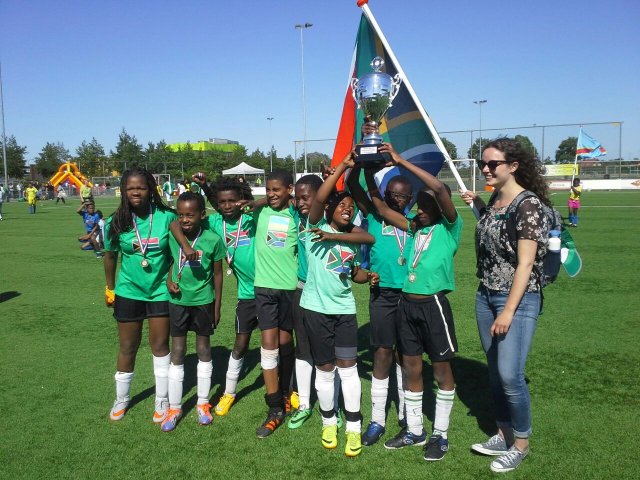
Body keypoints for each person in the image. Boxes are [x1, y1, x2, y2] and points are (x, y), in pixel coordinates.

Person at [364, 144, 462, 461]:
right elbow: (382, 210)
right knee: (411, 367)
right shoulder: (414, 227)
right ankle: (415, 430)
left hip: (433, 305)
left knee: (441, 369)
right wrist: (366, 167)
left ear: (439, 208)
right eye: (418, 205)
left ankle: (440, 434)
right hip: (406, 306)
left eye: (424, 206)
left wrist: (401, 162)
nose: (418, 210)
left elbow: (439, 189)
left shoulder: (449, 228)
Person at [460, 138, 549, 473]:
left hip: (517, 299)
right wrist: (478, 204)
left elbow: (525, 264)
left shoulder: (528, 204)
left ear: (513, 166)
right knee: (496, 373)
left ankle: (521, 444)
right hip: (485, 294)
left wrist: (508, 311)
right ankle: (503, 432)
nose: (485, 169)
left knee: (511, 375)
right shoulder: (496, 199)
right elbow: (497, 235)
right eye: (483, 163)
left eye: (492, 164)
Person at [301, 151, 377, 457]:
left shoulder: (348, 238)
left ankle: (354, 427)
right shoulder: (313, 228)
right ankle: (329, 422)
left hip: (345, 311)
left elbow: (357, 263)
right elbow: (320, 198)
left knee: (348, 368)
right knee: (325, 369)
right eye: (342, 206)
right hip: (316, 310)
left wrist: (367, 276)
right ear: (328, 210)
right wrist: (343, 167)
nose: (348, 209)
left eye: (351, 207)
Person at [178, 174, 259, 417]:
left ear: (242, 200)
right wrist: (205, 187)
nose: (227, 206)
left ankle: (288, 392)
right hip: (246, 293)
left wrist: (250, 203)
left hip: (271, 288)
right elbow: (180, 221)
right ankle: (229, 393)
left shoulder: (252, 217)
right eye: (222, 202)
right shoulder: (214, 222)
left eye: (233, 201)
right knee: (240, 344)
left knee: (277, 343)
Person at [347, 158, 414, 446]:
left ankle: (406, 412)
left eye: (402, 196)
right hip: (382, 294)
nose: (397, 199)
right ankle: (377, 420)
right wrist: (361, 163)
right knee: (383, 352)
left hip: (411, 295)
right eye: (392, 194)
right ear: (384, 194)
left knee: (407, 354)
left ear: (409, 198)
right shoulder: (374, 214)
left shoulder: (415, 221)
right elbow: (352, 184)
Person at [103, 167, 177, 423]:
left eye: (141, 187)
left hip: (160, 292)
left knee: (160, 346)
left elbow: (177, 253)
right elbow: (110, 256)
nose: (136, 192)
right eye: (131, 188)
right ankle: (122, 398)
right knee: (128, 347)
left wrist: (171, 278)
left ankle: (162, 399)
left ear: (151, 190)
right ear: (124, 191)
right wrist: (110, 288)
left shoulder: (167, 217)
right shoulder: (115, 221)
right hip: (128, 291)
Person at [161, 192, 225, 432]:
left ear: (202, 215)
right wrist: (169, 281)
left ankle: (202, 403)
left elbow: (218, 275)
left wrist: (217, 306)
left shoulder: (213, 239)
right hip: (178, 300)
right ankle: (175, 407)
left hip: (203, 301)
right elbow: (171, 261)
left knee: (203, 349)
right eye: (181, 214)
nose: (184, 219)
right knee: (177, 350)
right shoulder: (174, 234)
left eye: (190, 214)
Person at [251, 169, 299, 438]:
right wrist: (262, 200)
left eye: (276, 190)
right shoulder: (260, 212)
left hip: (289, 289)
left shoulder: (296, 214)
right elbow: (244, 206)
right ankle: (274, 408)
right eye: (268, 189)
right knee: (268, 345)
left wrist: (291, 201)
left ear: (289, 189)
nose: (271, 194)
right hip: (264, 287)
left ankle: (287, 392)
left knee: (285, 341)